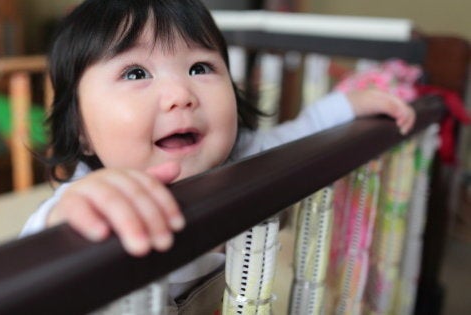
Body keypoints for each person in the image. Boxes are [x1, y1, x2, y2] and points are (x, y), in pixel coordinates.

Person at [21, 0, 415, 303]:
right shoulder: (92, 194)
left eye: (200, 68)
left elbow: (305, 133)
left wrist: (348, 106)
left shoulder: (245, 154)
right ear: (82, 132)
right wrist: (70, 214)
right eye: (136, 73)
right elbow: (35, 258)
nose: (181, 96)